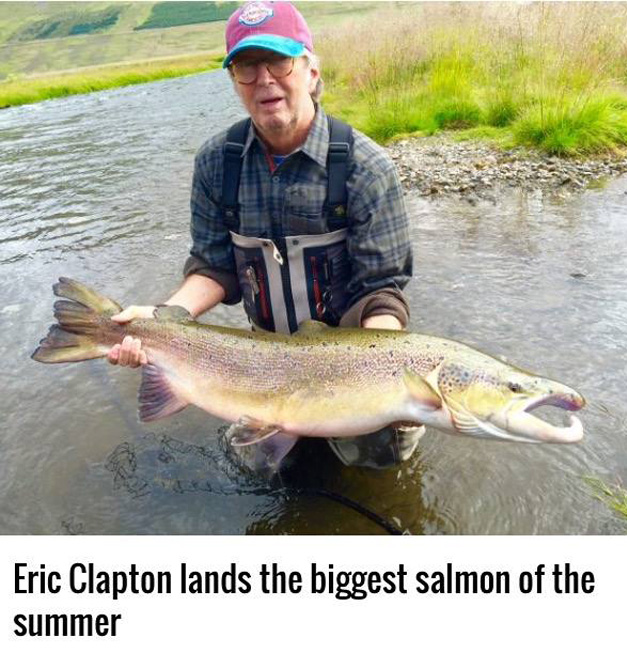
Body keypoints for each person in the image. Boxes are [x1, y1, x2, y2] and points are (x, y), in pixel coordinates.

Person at [108, 1, 424, 470]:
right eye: (246, 67)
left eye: (279, 61)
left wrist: (374, 380)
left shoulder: (366, 167)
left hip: (350, 359)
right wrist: (161, 318)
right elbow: (214, 266)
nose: (264, 79)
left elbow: (382, 291)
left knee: (377, 466)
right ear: (234, 81)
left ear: (311, 71)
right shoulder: (216, 163)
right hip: (261, 365)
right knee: (264, 472)